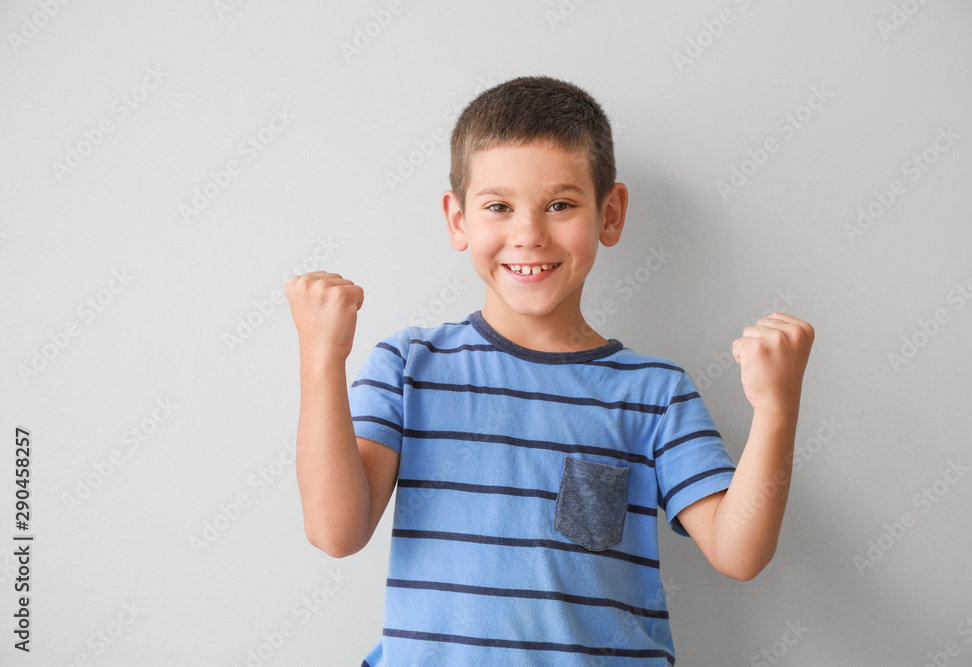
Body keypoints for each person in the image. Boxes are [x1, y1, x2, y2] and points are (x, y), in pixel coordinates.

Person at [286, 75, 815, 666]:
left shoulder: (654, 393)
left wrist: (777, 409)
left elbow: (739, 552)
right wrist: (321, 359)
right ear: (458, 219)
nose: (529, 235)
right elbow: (336, 532)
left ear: (609, 214)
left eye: (560, 205)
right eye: (498, 207)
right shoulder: (410, 366)